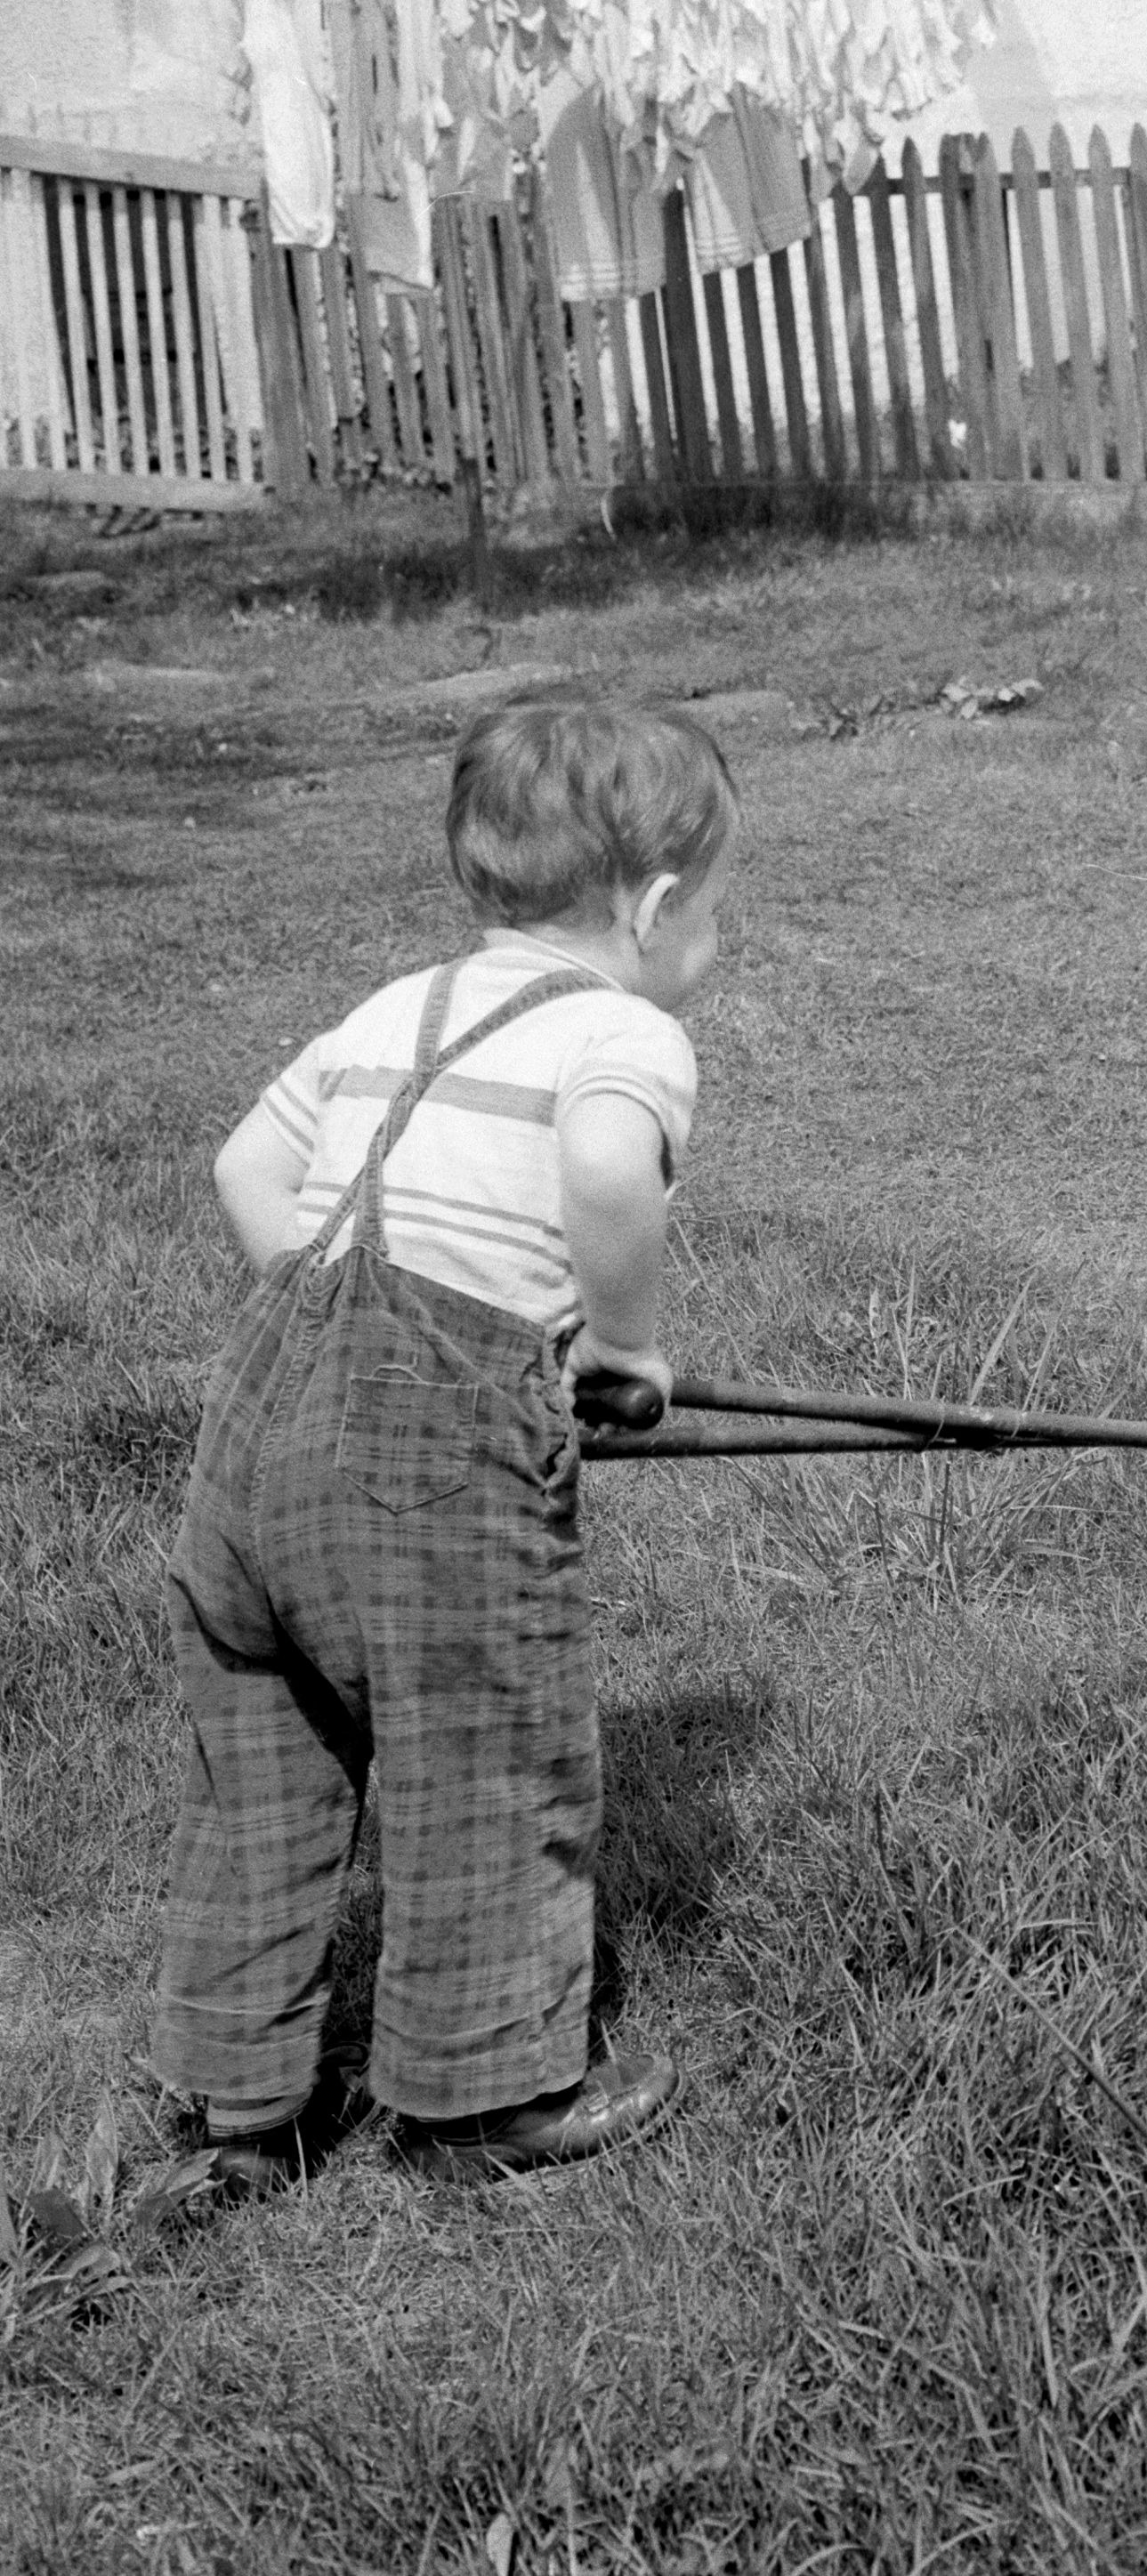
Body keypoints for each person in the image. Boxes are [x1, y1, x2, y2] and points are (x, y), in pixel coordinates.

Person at [151, 699, 738, 2192]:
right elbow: (606, 1167)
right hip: (430, 1465)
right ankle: (483, 2097)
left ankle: (236, 2107)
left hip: (251, 1438)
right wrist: (618, 1347)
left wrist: (335, 1321)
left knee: (262, 1783)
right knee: (484, 1752)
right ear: (657, 905)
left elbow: (246, 1165)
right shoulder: (627, 1030)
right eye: (713, 908)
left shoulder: (388, 1007)